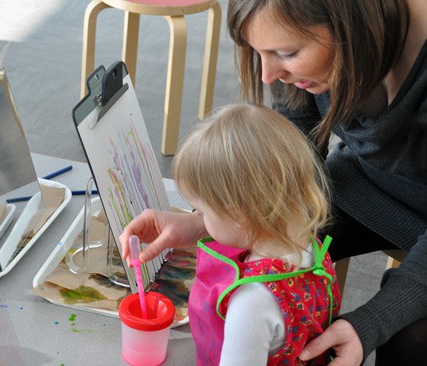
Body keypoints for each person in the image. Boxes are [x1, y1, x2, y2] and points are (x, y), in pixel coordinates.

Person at [120, 0, 427, 364]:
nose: (266, 75)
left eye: (286, 52)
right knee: (266, 250)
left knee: (412, 338)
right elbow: (290, 157)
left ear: (349, 23)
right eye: (258, 52)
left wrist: (369, 324)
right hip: (362, 190)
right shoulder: (292, 44)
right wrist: (206, 221)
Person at [143, 103, 342, 365]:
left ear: (239, 214)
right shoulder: (310, 245)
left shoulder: (251, 304)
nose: (199, 218)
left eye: (202, 212)